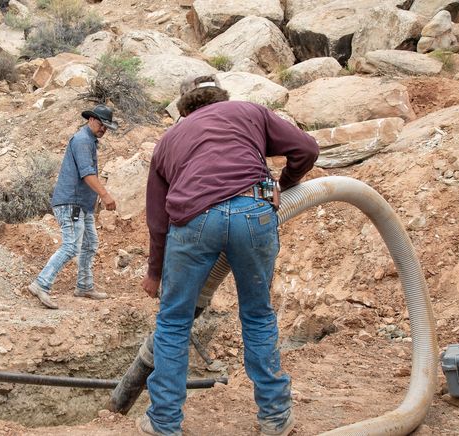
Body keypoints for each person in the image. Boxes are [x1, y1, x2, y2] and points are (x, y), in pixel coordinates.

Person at [138, 76, 319, 436]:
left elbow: (157, 220)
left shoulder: (169, 140)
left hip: (192, 222)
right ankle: (274, 418)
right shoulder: (249, 112)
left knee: (174, 322)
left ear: (184, 108)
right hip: (253, 210)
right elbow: (307, 149)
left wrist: (154, 272)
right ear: (221, 96)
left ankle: (164, 423)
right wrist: (285, 183)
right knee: (257, 315)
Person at [28, 104, 118, 310]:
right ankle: (41, 284)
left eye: (106, 127)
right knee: (70, 246)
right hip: (72, 202)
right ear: (91, 120)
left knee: (90, 243)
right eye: (102, 124)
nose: (104, 129)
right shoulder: (82, 140)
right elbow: (87, 174)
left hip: (82, 204)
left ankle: (84, 286)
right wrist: (104, 195)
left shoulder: (90, 141)